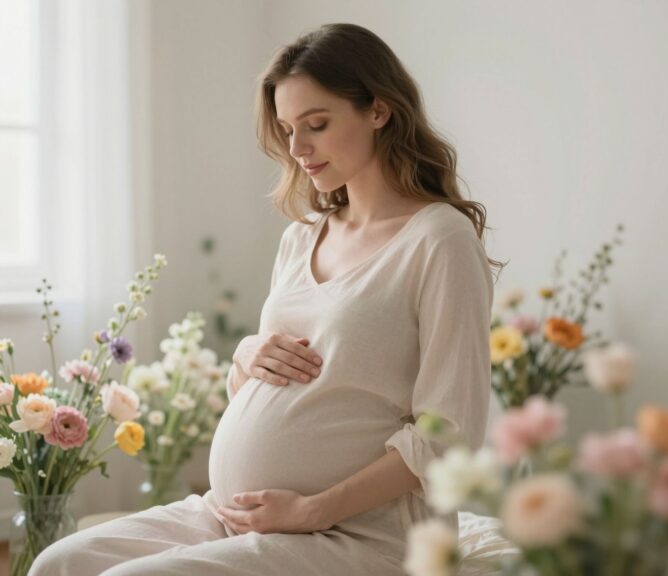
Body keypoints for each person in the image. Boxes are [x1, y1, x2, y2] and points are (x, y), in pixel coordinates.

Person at [30, 22, 503, 576]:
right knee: (58, 564)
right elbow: (269, 386)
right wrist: (248, 356)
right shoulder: (302, 237)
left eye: (317, 125)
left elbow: (449, 433)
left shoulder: (438, 240)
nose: (297, 149)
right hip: (235, 512)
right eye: (287, 129)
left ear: (378, 110)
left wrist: (313, 509)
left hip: (363, 534)